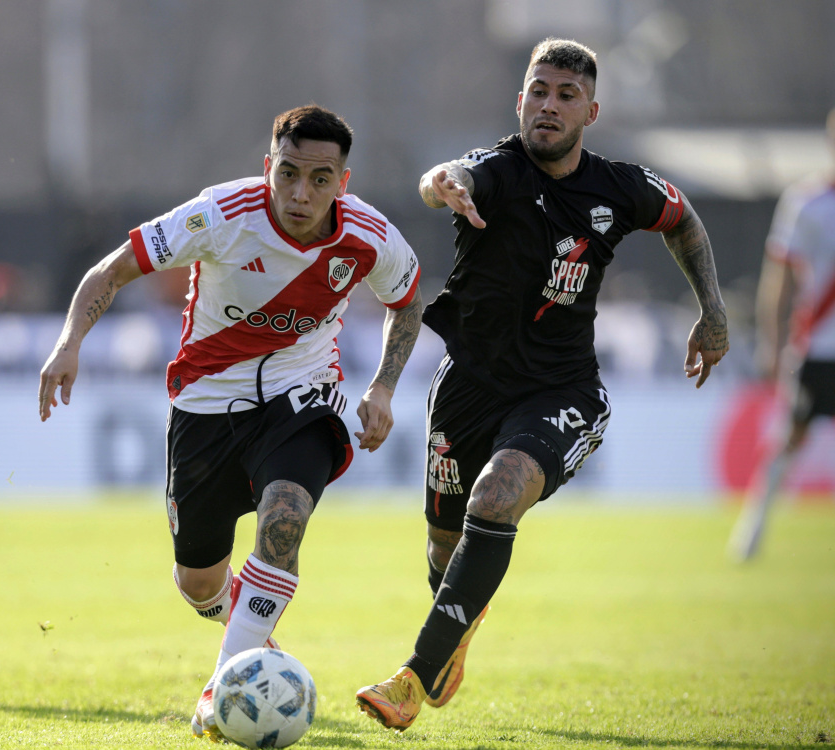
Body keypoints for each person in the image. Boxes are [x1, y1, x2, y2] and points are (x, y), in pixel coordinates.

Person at [355, 38, 729, 731]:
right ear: (519, 100)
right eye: (538, 91)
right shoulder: (494, 171)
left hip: (562, 392)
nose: (549, 106)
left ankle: (412, 676)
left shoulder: (621, 187)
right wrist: (443, 184)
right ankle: (456, 629)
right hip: (467, 386)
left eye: (566, 95)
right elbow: (447, 176)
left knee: (496, 497)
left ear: (591, 111)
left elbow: (685, 222)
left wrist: (712, 309)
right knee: (443, 547)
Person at [39, 104, 423, 739]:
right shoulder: (219, 215)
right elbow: (111, 270)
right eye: (288, 173)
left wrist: (383, 386)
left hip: (302, 396)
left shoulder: (370, 236)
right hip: (206, 405)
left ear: (342, 182)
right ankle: (247, 631)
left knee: (284, 519)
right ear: (267, 166)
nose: (301, 194)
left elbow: (406, 304)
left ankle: (221, 691)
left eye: (320, 179)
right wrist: (68, 342)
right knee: (197, 582)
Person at [728, 107, 835, 562]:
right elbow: (781, 279)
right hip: (819, 347)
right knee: (791, 436)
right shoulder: (806, 202)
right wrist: (772, 342)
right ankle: (753, 529)